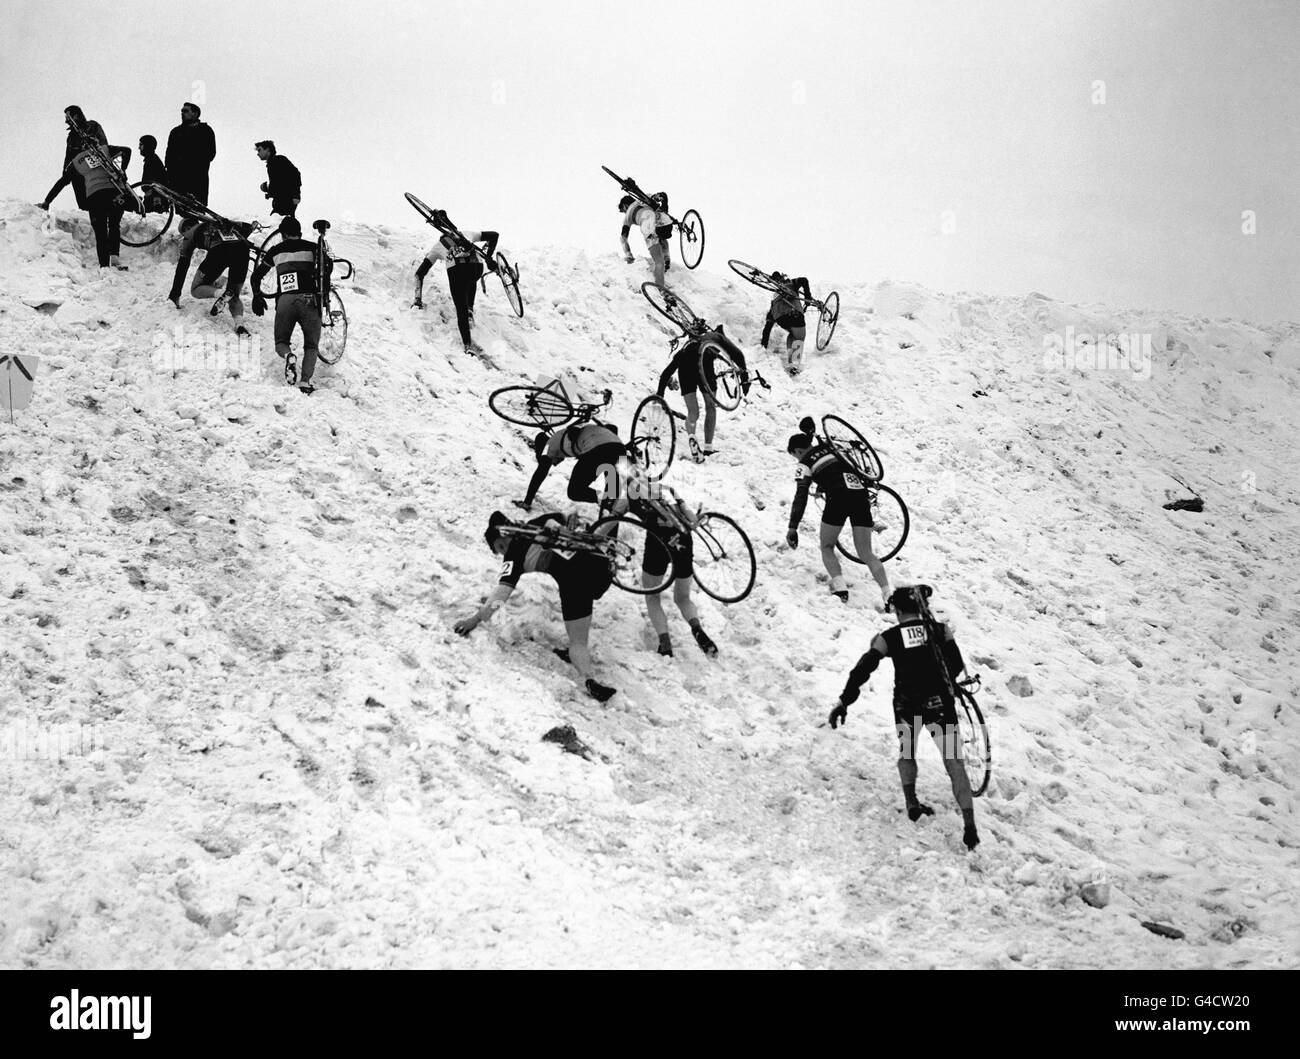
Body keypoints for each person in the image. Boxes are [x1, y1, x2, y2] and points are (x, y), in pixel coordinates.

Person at [827, 584, 980, 851]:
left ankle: (911, 802)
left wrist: (844, 702)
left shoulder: (888, 637)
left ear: (897, 610)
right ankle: (970, 827)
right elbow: (955, 666)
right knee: (954, 763)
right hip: (939, 705)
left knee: (907, 752)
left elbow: (863, 669)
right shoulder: (939, 630)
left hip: (907, 706)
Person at [454, 511, 619, 702]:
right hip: (599, 567)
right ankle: (620, 513)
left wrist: (475, 619)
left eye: (500, 547)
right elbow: (558, 518)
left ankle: (590, 681)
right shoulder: (535, 524)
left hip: (575, 584)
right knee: (603, 524)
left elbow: (501, 595)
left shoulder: (513, 557)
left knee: (578, 643)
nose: (503, 551)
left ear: (503, 535)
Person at [786, 416, 891, 605]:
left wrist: (793, 527)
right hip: (859, 496)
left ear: (798, 451)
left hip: (838, 499)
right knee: (866, 553)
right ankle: (887, 593)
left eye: (795, 456)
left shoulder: (804, 464)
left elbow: (800, 497)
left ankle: (841, 590)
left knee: (827, 546)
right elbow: (845, 471)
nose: (797, 459)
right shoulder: (834, 449)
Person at [607, 480, 717, 658]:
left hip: (657, 544)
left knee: (652, 597)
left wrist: (593, 537)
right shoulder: (667, 489)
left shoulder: (627, 498)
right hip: (683, 541)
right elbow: (692, 519)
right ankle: (697, 629)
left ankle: (665, 643)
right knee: (683, 598)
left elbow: (610, 522)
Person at [250, 216, 330, 393]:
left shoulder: (275, 250)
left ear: (283, 235)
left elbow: (256, 276)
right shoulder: (312, 247)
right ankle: (305, 382)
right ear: (299, 234)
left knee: (281, 342)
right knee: (311, 346)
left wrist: (257, 296)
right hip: (309, 300)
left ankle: (289, 355)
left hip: (285, 301)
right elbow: (328, 267)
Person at [656, 323, 749, 461]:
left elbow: (667, 372)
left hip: (685, 365)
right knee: (711, 407)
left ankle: (692, 437)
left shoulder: (685, 348)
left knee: (693, 412)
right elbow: (738, 354)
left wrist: (660, 394)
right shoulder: (717, 337)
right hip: (704, 363)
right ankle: (708, 448)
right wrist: (744, 377)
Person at [412, 209, 500, 355]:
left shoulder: (437, 247)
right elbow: (494, 235)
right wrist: (489, 257)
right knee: (471, 280)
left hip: (457, 273)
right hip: (475, 269)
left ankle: (467, 345)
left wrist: (418, 299)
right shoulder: (468, 234)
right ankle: (470, 309)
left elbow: (419, 274)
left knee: (461, 310)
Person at [169, 218, 255, 333]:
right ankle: (239, 324)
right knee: (234, 294)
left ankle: (222, 293)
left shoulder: (188, 235)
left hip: (220, 251)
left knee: (196, 289)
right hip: (242, 250)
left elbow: (182, 267)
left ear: (186, 229)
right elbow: (245, 225)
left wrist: (175, 293)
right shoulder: (214, 223)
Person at [520, 422, 625, 510]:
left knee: (575, 491)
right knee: (612, 495)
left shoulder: (550, 445)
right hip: (620, 448)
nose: (554, 464)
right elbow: (611, 429)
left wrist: (527, 502)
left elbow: (540, 472)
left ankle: (605, 500)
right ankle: (608, 530)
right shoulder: (562, 435)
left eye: (553, 462)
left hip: (597, 448)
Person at [38, 106, 107, 211]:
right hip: (78, 168)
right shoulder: (71, 136)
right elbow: (68, 155)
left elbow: (103, 144)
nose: (66, 121)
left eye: (68, 117)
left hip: (93, 164)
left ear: (75, 116)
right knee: (83, 204)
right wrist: (65, 170)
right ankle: (46, 203)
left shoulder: (92, 126)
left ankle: (46, 202)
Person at [760, 271, 813, 376]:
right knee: (799, 336)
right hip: (794, 314)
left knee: (792, 334)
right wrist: (807, 296)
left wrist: (763, 346)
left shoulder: (774, 301)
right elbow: (803, 280)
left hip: (780, 318)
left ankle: (791, 364)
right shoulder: (790, 284)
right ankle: (794, 364)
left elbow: (767, 327)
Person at [164, 102, 216, 205]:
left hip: (197, 179)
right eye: (182, 111)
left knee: (197, 210)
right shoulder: (176, 132)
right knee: (179, 211)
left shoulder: (205, 131)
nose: (182, 113)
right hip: (178, 180)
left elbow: (210, 153)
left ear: (195, 113)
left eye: (186, 111)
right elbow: (169, 155)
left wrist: (191, 161)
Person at [619, 190, 673, 287]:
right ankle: (667, 258)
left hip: (648, 227)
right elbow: (663, 196)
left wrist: (629, 255)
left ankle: (661, 287)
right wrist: (661, 201)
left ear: (625, 206)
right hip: (666, 223)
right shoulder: (644, 197)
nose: (624, 213)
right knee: (661, 237)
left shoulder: (627, 216)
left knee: (658, 261)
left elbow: (623, 238)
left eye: (623, 211)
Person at [254, 140, 301, 218]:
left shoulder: (279, 160)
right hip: (281, 200)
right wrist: (268, 189)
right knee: (281, 224)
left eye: (260, 150)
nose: (258, 153)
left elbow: (295, 174)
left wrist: (296, 194)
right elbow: (279, 183)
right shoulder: (272, 163)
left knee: (277, 223)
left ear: (268, 150)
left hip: (286, 199)